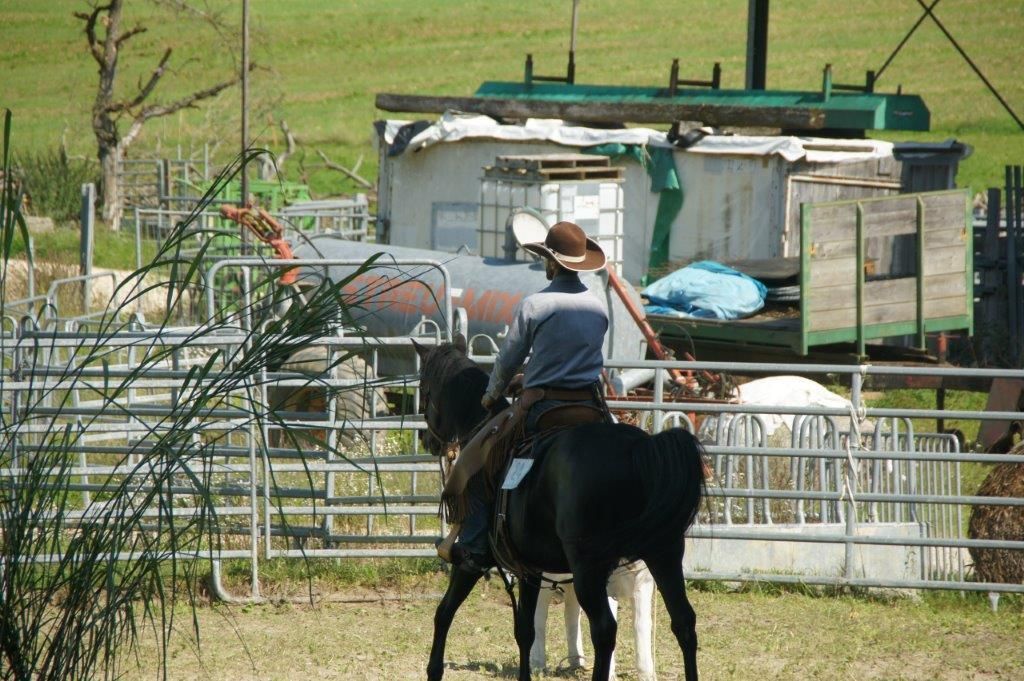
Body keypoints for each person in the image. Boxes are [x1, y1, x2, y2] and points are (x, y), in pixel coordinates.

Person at [444, 220, 610, 568]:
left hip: (543, 407)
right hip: (591, 405)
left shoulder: (535, 304)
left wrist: (491, 395)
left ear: (551, 262)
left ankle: (475, 545)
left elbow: (508, 360)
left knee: (483, 461)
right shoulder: (598, 307)